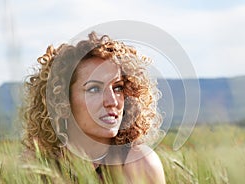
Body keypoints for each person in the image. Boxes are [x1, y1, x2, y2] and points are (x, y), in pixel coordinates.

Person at [21, 31, 166, 183]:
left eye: (118, 88)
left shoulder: (140, 164)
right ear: (62, 100)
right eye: (94, 89)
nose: (112, 101)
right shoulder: (34, 168)